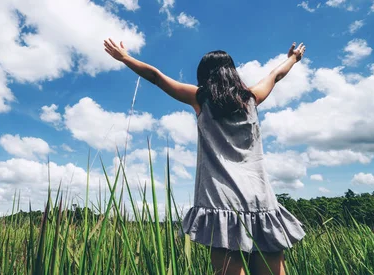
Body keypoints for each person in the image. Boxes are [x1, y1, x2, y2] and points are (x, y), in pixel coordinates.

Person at [104, 38, 306, 275]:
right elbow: (275, 75)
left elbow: (157, 77)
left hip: (221, 199)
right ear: (232, 72)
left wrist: (125, 58)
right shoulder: (252, 98)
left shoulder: (201, 98)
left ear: (205, 75)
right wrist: (293, 58)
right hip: (259, 198)